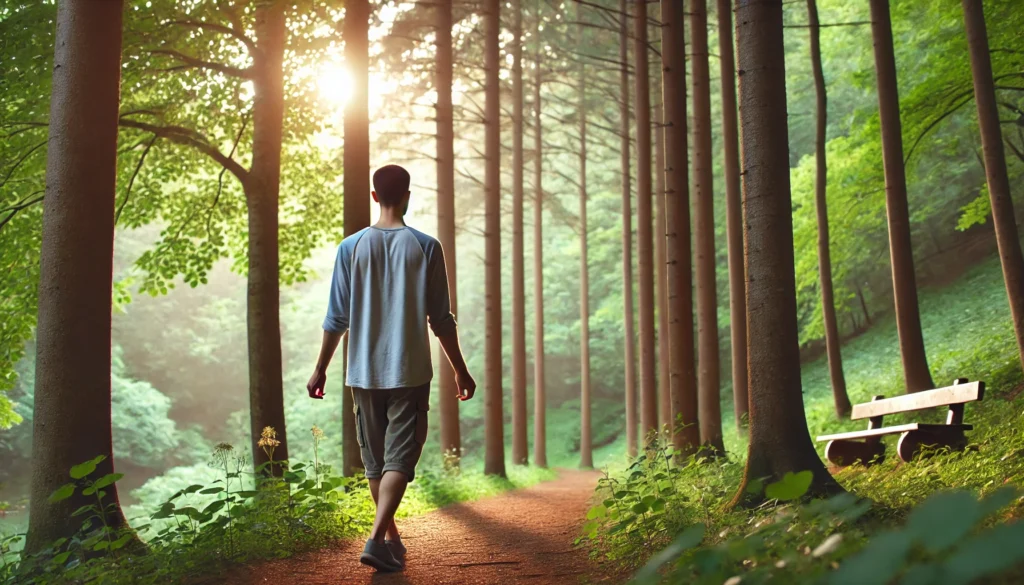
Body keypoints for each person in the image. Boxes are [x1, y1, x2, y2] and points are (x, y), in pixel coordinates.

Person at [307, 164, 476, 573]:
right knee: (399, 459)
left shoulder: (350, 248)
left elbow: (336, 318)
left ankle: (389, 539)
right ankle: (377, 538)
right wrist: (461, 369)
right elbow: (442, 319)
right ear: (408, 195)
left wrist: (321, 369)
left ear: (373, 196)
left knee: (376, 461)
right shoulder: (426, 246)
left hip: (362, 371)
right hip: (410, 371)